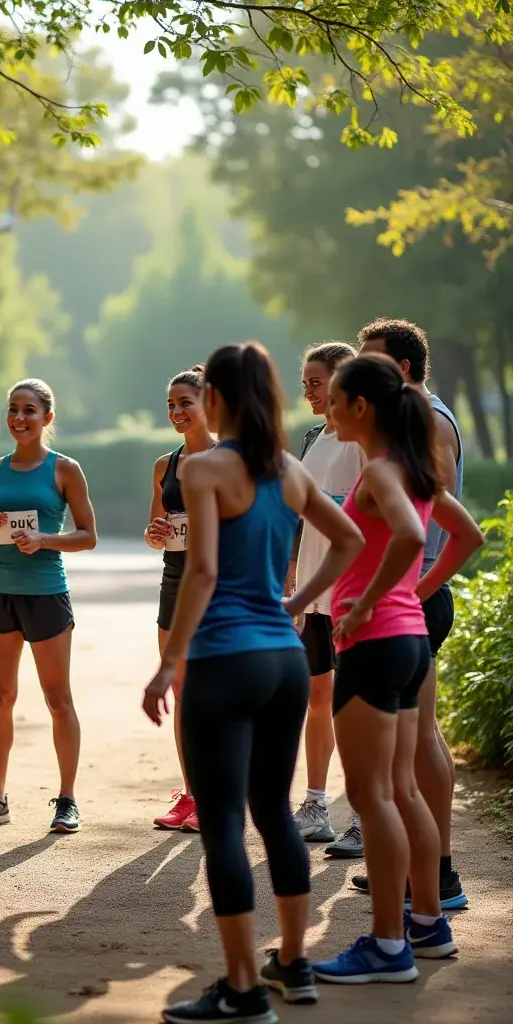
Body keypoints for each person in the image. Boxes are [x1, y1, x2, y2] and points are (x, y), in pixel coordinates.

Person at [143, 343, 364, 1024]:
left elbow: (202, 573)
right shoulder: (289, 469)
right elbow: (350, 540)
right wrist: (295, 606)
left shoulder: (208, 468)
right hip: (283, 661)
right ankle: (292, 965)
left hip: (224, 660)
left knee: (222, 830)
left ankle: (242, 990)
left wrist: (167, 663)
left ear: (218, 398)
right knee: (274, 814)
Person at [311, 354, 483, 985]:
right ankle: (427, 924)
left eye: (334, 400)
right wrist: (401, 594)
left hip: (378, 643)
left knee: (371, 794)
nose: (326, 411)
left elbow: (410, 537)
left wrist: (375, 600)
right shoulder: (411, 467)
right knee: (401, 789)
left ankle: (386, 945)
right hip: (407, 639)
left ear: (361, 408)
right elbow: (466, 538)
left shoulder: (383, 471)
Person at [354, 318, 468, 908]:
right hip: (408, 597)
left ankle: (437, 879)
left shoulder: (425, 419)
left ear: (399, 370)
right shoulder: (412, 419)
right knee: (421, 741)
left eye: (368, 367)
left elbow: (440, 505)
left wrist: (418, 590)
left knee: (416, 744)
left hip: (412, 598)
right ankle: (420, 868)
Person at [0, 379, 97, 834]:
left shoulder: (65, 470)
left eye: (30, 411)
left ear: (47, 418)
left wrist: (44, 539)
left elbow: (88, 535)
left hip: (46, 595)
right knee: (0, 698)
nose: (19, 418)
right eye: (13, 410)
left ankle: (67, 800)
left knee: (58, 699)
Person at [287, 342, 367, 857]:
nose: (309, 392)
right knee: (317, 699)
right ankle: (315, 807)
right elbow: (300, 514)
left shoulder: (366, 440)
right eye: (305, 384)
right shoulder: (315, 436)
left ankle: (361, 817)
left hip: (354, 592)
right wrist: (292, 578)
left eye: (316, 382)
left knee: (355, 707)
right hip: (312, 591)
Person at [145, 365, 217, 833]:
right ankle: (192, 797)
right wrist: (155, 533)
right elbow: (156, 531)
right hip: (174, 581)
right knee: (182, 692)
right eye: (171, 405)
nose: (176, 412)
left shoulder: (232, 458)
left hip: (219, 586)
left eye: (185, 403)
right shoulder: (164, 465)